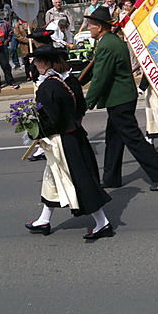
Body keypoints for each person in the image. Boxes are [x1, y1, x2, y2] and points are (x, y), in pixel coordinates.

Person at [79, 7, 158, 191]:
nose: (88, 28)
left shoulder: (107, 45)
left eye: (91, 25)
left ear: (100, 27)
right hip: (120, 98)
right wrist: (75, 83)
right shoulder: (109, 41)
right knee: (114, 139)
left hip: (120, 100)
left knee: (134, 140)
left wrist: (85, 104)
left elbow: (100, 78)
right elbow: (94, 70)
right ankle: (111, 178)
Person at [22, 45, 113, 239]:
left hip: (63, 141)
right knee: (52, 178)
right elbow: (80, 107)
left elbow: (52, 120)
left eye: (37, 61)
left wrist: (34, 130)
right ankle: (44, 220)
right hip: (75, 135)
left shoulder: (47, 87)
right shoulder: (69, 81)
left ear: (45, 63)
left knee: (79, 181)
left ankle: (103, 223)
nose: (35, 65)